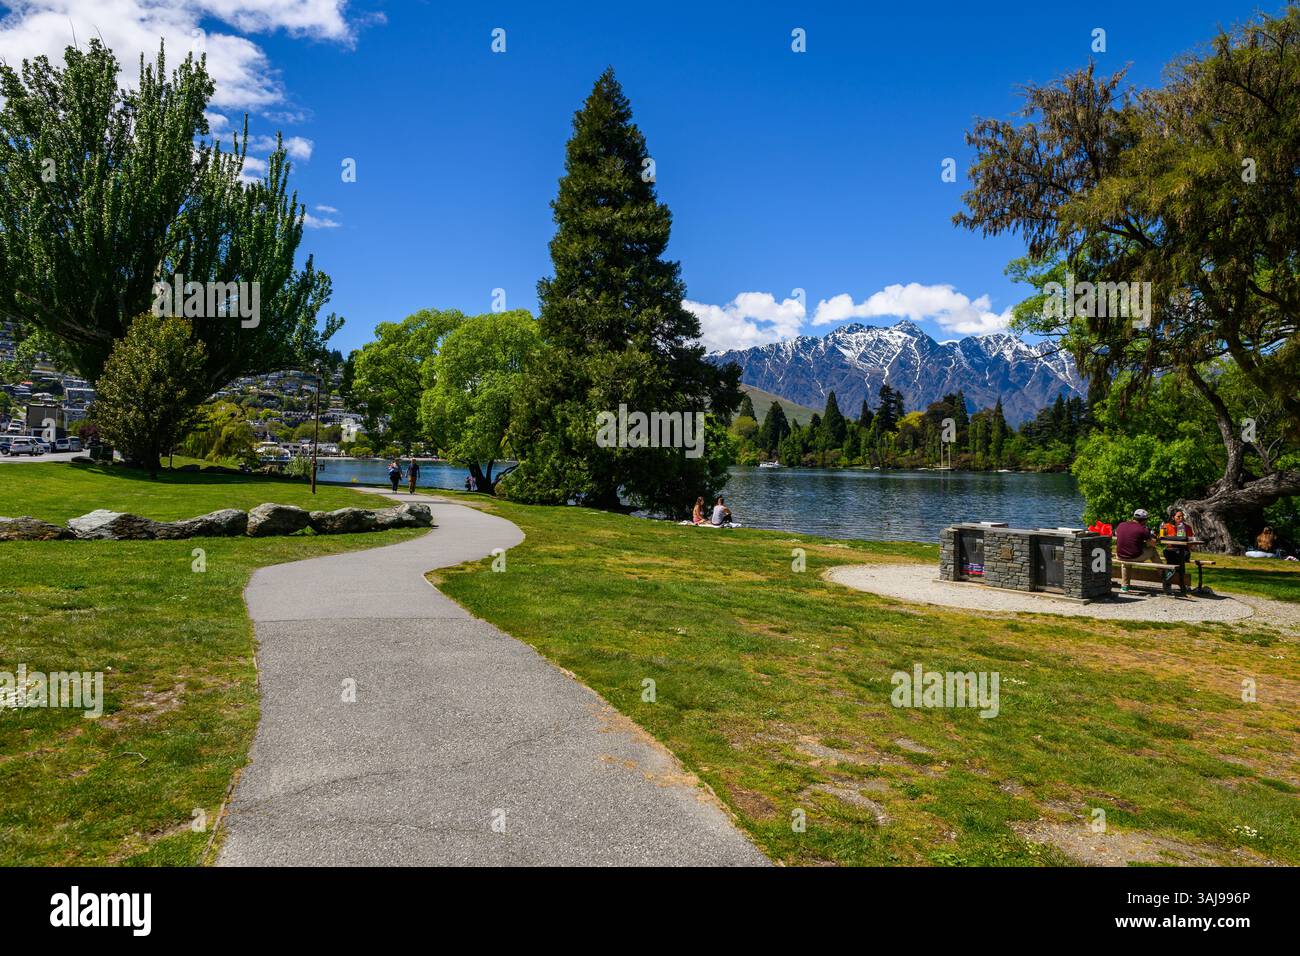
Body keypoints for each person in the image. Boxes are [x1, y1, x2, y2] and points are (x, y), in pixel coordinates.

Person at [1115, 508, 1173, 593]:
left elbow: (1121, 536)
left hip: (1120, 555)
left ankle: (1125, 586)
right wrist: (1154, 538)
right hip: (1132, 556)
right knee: (1152, 550)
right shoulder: (1142, 529)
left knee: (1126, 560)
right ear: (1145, 520)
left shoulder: (1121, 525)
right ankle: (1164, 574)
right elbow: (1153, 544)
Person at [1159, 508, 1195, 595]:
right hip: (1170, 550)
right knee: (1174, 556)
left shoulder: (1187, 527)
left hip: (1184, 551)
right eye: (1178, 516)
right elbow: (1161, 538)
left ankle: (1168, 583)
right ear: (1172, 517)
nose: (1181, 518)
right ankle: (1181, 584)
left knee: (1176, 557)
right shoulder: (1166, 526)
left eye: (1182, 516)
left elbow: (1191, 542)